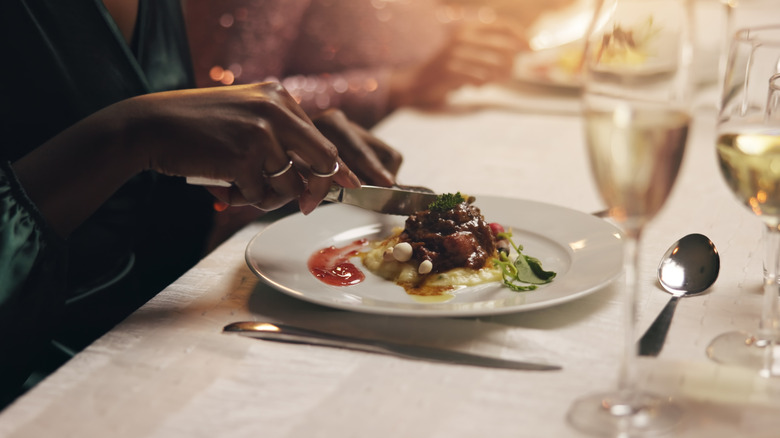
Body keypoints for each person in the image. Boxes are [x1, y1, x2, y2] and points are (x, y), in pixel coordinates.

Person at [0, 0, 401, 407]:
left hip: (153, 337)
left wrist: (278, 157)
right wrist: (132, 135)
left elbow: (144, 201)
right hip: (40, 380)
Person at [184, 0, 529, 128]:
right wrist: (397, 86)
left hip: (418, 137)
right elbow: (230, 101)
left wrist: (462, 27)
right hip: (310, 194)